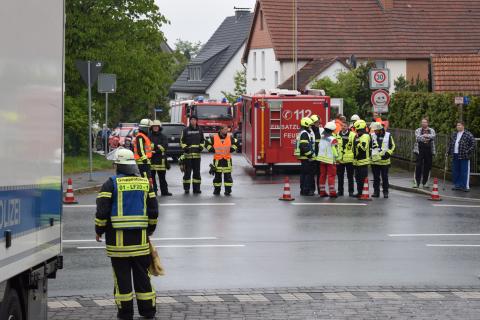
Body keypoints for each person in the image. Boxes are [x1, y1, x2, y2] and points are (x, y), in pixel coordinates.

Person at [95, 148, 158, 320]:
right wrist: (150, 230)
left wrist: (99, 230)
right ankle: (148, 312)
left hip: (117, 244)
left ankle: (125, 313)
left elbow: (102, 211)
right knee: (143, 277)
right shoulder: (145, 183)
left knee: (122, 279)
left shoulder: (111, 183)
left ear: (118, 165)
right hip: (141, 242)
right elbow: (153, 211)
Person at [205, 126, 239, 196]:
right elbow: (206, 143)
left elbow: (236, 142)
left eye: (227, 129)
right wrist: (211, 149)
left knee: (228, 177)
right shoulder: (214, 138)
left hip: (227, 160)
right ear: (220, 130)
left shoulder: (229, 138)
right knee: (217, 177)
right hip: (218, 160)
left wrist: (232, 149)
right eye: (225, 129)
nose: (227, 130)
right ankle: (217, 190)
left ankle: (228, 191)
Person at [447, 121, 476, 192]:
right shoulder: (454, 134)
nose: (458, 127)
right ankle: (457, 185)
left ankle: (464, 186)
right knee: (456, 171)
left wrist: (468, 151)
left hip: (464, 155)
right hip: (455, 154)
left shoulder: (468, 134)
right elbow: (450, 144)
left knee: (464, 171)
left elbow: (473, 143)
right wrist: (448, 152)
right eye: (457, 125)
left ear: (463, 126)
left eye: (459, 125)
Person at [180, 115, 205, 194]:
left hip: (197, 156)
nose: (193, 121)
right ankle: (186, 188)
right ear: (190, 121)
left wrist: (201, 147)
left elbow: (203, 141)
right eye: (192, 120)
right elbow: (181, 141)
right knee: (187, 173)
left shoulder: (200, 130)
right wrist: (185, 148)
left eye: (194, 120)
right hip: (188, 156)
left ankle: (196, 189)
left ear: (196, 121)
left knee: (197, 173)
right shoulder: (185, 130)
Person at [370, 122, 395, 198]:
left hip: (385, 161)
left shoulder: (388, 135)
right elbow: (369, 147)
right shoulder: (372, 136)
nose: (374, 132)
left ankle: (385, 192)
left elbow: (393, 146)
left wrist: (388, 153)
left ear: (380, 129)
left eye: (376, 130)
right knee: (376, 178)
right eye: (374, 130)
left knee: (385, 177)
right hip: (375, 161)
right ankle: (376, 192)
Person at [149, 120, 172, 196]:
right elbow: (148, 146)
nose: (155, 128)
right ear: (152, 127)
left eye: (157, 126)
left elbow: (165, 147)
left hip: (161, 160)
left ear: (159, 127)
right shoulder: (149, 136)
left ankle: (164, 191)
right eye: (154, 126)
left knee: (162, 178)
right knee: (152, 178)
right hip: (151, 159)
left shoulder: (163, 136)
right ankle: (154, 191)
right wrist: (157, 146)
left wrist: (155, 150)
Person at [317, 121, 339, 198]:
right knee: (331, 176)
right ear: (332, 130)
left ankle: (322, 192)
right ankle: (332, 193)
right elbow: (335, 150)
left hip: (322, 160)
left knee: (322, 175)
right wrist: (338, 158)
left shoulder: (322, 137)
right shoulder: (333, 139)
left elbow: (319, 146)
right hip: (330, 160)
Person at [295, 117, 315, 196]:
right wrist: (310, 155)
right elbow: (304, 146)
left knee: (304, 174)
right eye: (310, 125)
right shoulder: (304, 133)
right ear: (306, 125)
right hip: (306, 157)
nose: (310, 127)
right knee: (307, 174)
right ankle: (306, 190)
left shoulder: (302, 132)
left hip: (303, 157)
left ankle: (303, 190)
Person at [413, 118, 436, 188]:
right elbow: (418, 138)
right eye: (422, 122)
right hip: (419, 150)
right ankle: (417, 182)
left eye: (425, 122)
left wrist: (426, 136)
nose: (423, 123)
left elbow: (433, 136)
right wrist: (426, 137)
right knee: (418, 166)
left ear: (427, 123)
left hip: (429, 150)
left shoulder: (431, 130)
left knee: (427, 166)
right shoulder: (418, 130)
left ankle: (425, 182)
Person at [337, 121, 356, 197]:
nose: (343, 127)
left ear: (348, 127)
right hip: (340, 159)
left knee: (350, 177)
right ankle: (340, 191)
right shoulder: (338, 134)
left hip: (349, 159)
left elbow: (354, 147)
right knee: (340, 177)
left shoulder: (352, 135)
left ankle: (351, 191)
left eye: (344, 126)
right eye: (342, 126)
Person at [353, 120, 371, 198]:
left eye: (356, 129)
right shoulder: (358, 136)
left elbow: (363, 148)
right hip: (357, 161)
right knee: (357, 178)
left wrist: (357, 142)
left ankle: (363, 193)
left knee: (362, 178)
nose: (355, 130)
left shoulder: (365, 136)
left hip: (363, 161)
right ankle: (360, 192)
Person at [310, 114, 323, 194]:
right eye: (316, 122)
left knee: (320, 174)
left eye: (318, 122)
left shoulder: (321, 130)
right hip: (312, 156)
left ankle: (320, 189)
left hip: (319, 156)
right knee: (312, 174)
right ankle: (312, 189)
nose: (318, 124)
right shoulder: (309, 132)